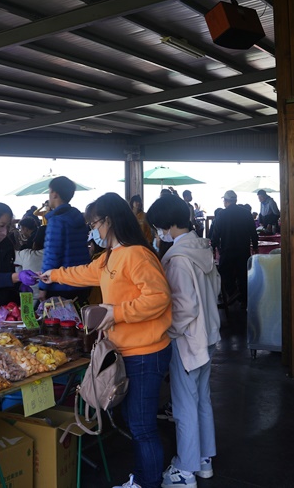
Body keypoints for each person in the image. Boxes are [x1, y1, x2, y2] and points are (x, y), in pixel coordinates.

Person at [38, 193, 172, 488]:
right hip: (125, 350)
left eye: (95, 223)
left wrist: (117, 312)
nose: (94, 230)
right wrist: (52, 275)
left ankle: (148, 483)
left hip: (146, 352)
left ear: (109, 220)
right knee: (134, 420)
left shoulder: (136, 254)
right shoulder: (111, 255)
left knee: (142, 426)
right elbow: (85, 273)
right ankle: (142, 478)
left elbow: (159, 298)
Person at [147, 196, 221, 484]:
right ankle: (204, 459)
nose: (158, 233)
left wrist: (168, 331)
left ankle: (186, 471)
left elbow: (184, 307)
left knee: (184, 404)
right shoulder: (202, 248)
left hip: (188, 340)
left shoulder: (177, 259)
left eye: (157, 227)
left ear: (167, 224)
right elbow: (214, 289)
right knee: (202, 399)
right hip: (209, 336)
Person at [39, 176, 91, 302]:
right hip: (83, 281)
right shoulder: (78, 218)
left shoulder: (56, 221)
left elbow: (52, 256)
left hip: (61, 285)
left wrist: (43, 286)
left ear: (55, 194)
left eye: (49, 191)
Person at [209, 190, 258, 309]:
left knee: (223, 272)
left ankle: (232, 293)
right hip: (243, 250)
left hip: (227, 250)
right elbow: (253, 232)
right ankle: (244, 300)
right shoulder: (246, 213)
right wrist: (255, 246)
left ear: (226, 201)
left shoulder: (222, 214)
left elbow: (216, 233)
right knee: (243, 275)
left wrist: (213, 247)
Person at [15, 226, 45, 300]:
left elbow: (10, 256)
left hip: (30, 298)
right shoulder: (60, 256)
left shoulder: (27, 254)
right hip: (55, 298)